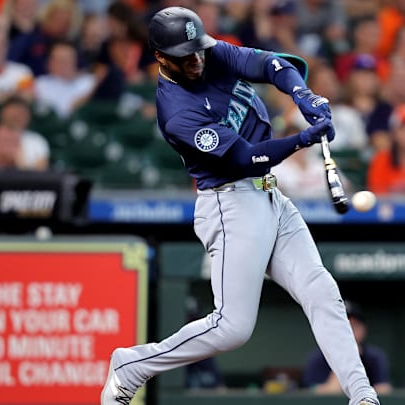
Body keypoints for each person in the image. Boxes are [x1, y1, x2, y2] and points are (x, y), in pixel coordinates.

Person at [100, 7, 381, 405]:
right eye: (185, 55)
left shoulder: (208, 52)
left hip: (270, 196)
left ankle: (363, 396)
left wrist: (302, 94)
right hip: (230, 203)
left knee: (321, 289)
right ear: (161, 58)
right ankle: (132, 366)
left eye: (197, 50)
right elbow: (245, 159)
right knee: (232, 328)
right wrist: (302, 139)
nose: (196, 60)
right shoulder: (177, 112)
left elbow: (269, 63)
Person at [302, 300, 393, 395]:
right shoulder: (318, 358)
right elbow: (324, 393)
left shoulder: (374, 357)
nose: (349, 331)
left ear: (363, 329)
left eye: (354, 326)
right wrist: (346, 358)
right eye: (343, 326)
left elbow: (384, 390)